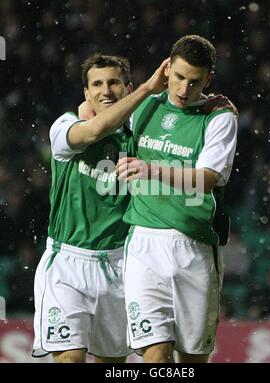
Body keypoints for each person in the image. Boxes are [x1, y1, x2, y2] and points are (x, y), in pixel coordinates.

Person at [32, 53, 169, 363]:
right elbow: (93, 131)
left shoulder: (141, 139)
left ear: (126, 87)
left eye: (114, 83)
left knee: (113, 363)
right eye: (97, 84)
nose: (105, 91)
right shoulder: (65, 127)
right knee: (70, 359)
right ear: (86, 93)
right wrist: (148, 88)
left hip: (121, 265)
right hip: (67, 262)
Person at [116, 35, 238, 363]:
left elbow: (207, 178)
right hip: (144, 243)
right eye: (179, 77)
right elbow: (94, 113)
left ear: (208, 79)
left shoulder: (220, 115)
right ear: (167, 69)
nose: (184, 90)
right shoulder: (144, 104)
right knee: (155, 355)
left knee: (192, 359)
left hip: (195, 247)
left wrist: (150, 169)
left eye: (195, 82)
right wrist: (145, 88)